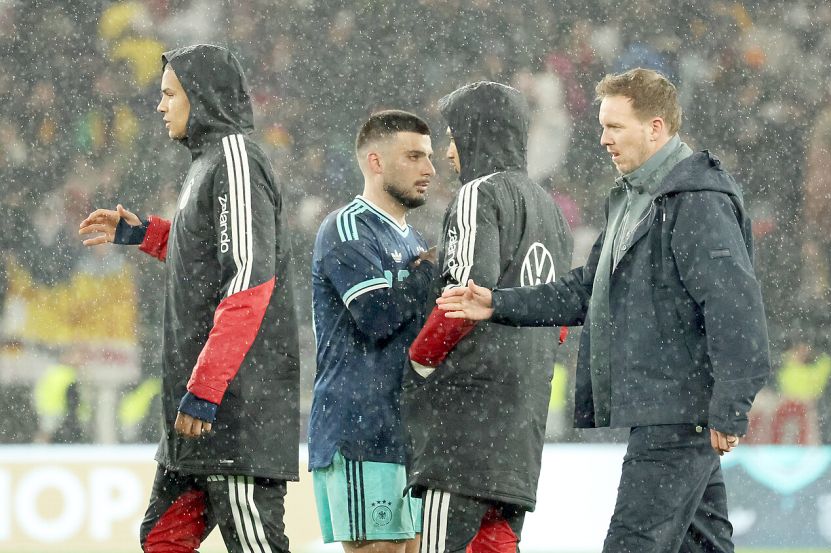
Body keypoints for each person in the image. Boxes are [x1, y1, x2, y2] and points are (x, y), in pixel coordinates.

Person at [436, 68, 771, 553]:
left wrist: (731, 406)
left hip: (677, 411)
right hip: (668, 408)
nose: (602, 139)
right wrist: (498, 303)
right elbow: (585, 291)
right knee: (703, 544)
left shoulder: (694, 200)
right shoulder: (634, 199)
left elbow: (735, 306)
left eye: (615, 126)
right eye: (601, 125)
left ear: (656, 127)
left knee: (631, 545)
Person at [78, 44, 299, 553]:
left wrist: (207, 388)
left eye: (169, 94)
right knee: (161, 539)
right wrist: (146, 235)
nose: (160, 106)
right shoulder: (210, 162)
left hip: (230, 416)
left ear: (201, 97)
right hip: (195, 421)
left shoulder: (237, 158)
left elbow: (247, 277)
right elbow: (207, 251)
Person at [402, 81, 573, 553]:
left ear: (477, 133)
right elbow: (556, 319)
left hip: (467, 423)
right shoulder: (552, 213)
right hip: (522, 424)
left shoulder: (479, 193)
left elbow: (463, 296)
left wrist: (417, 365)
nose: (447, 150)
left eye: (454, 135)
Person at [309, 110, 438, 552]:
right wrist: (426, 277)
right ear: (376, 162)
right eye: (415, 156)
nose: (429, 169)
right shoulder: (347, 228)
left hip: (405, 427)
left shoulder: (415, 241)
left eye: (429, 157)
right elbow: (377, 316)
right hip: (359, 428)